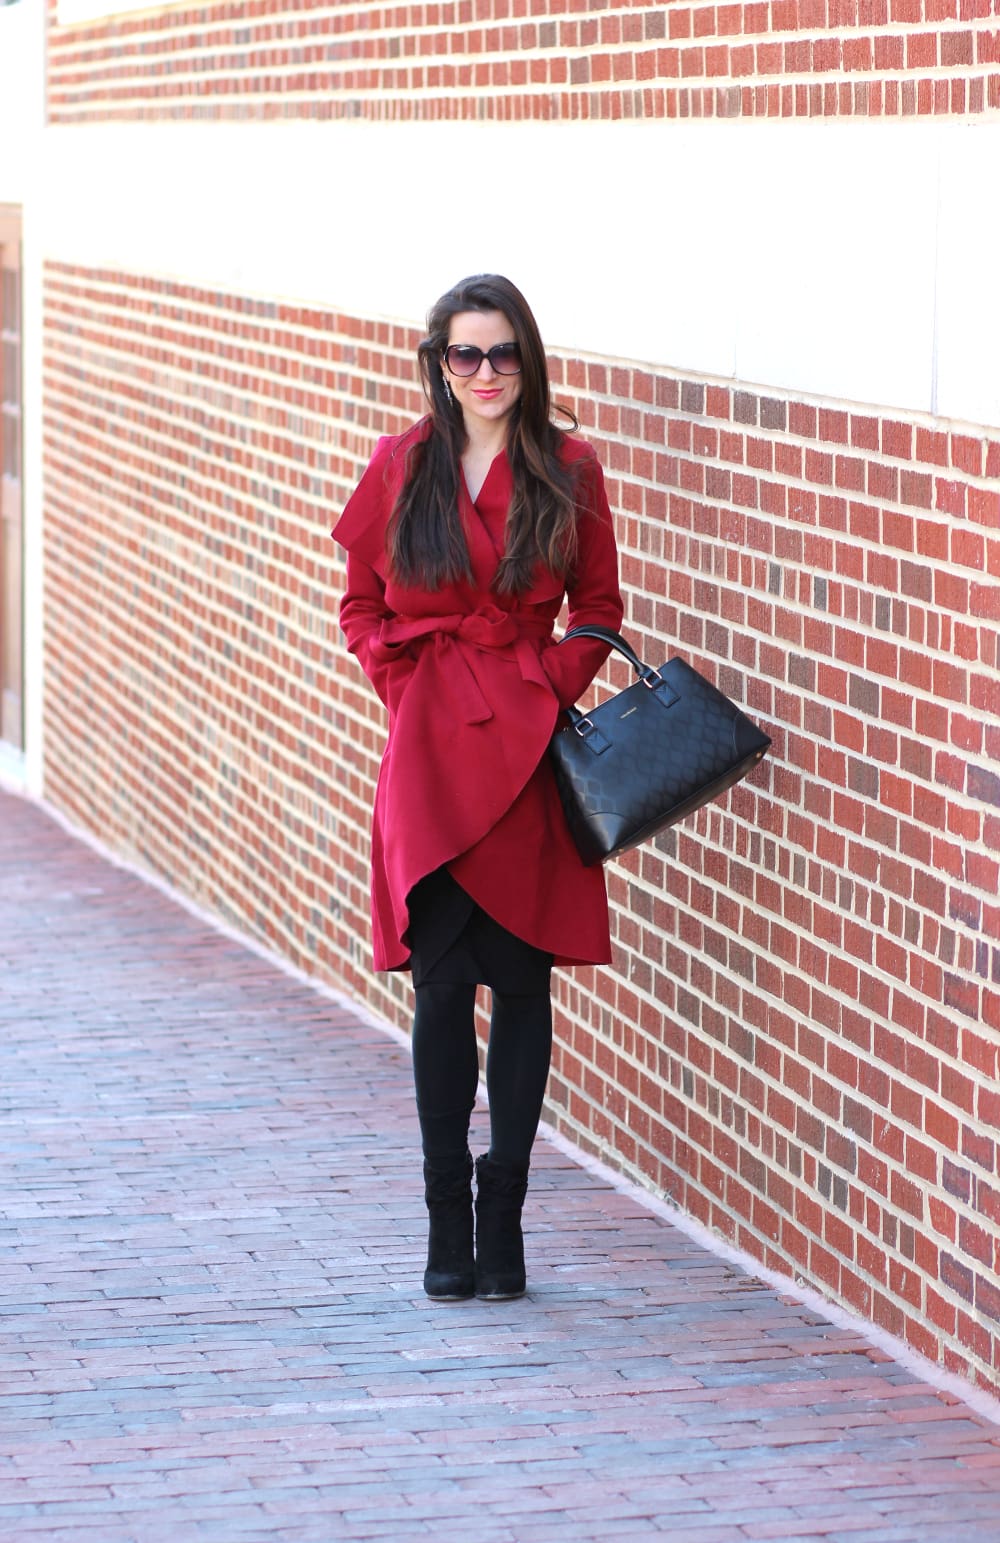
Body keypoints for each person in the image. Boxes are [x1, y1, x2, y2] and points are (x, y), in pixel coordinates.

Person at [332, 274, 623, 1302]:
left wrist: (542, 685)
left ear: (527, 360)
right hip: (428, 759)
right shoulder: (402, 466)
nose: (487, 372)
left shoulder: (569, 468)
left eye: (503, 353)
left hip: (526, 754)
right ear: (438, 364)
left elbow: (597, 608)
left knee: (524, 987)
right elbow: (359, 602)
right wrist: (402, 680)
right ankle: (445, 1224)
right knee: (442, 988)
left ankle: (504, 1217)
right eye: (467, 354)